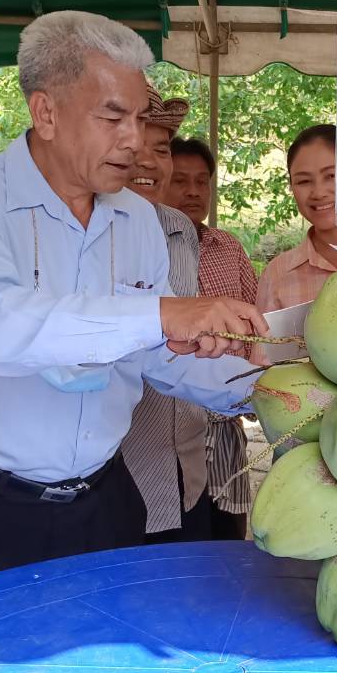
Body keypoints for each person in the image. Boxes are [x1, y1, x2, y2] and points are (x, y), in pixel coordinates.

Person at [0, 11, 265, 578]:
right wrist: (163, 312)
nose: (135, 142)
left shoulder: (137, 219)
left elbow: (155, 354)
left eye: (139, 118)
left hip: (105, 493)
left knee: (104, 661)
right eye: (113, 117)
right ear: (45, 112)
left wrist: (267, 389)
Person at [119, 85, 219, 541]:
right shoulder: (76, 230)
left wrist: (258, 382)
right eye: (131, 146)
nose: (146, 161)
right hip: (116, 471)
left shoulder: (180, 230)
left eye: (159, 149)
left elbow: (176, 353)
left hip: (185, 464)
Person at [169, 134, 258, 538]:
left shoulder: (229, 248)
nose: (192, 191)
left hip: (224, 427)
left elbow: (259, 329)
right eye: (180, 180)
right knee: (175, 541)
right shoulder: (146, 251)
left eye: (201, 181)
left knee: (227, 544)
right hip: (165, 428)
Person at [255, 124, 337, 312]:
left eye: (331, 175)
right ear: (291, 187)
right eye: (304, 181)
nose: (318, 192)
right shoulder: (277, 274)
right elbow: (264, 342)